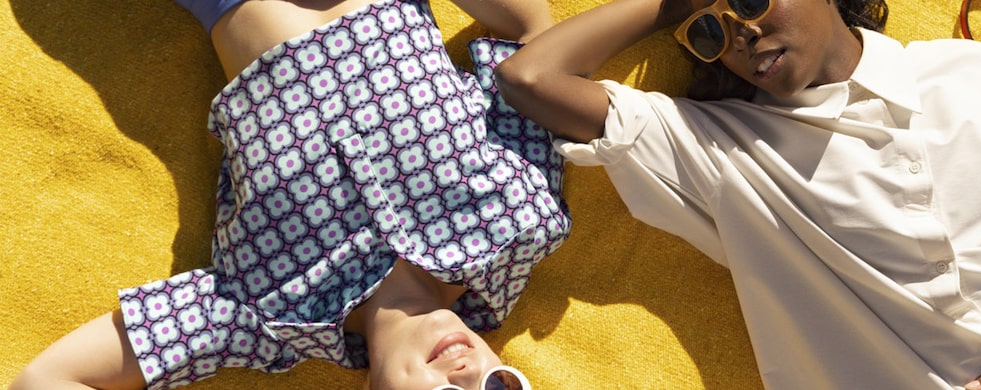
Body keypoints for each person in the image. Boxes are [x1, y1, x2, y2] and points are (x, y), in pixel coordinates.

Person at [495, 0, 981, 388]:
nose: (738, 35)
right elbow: (530, 77)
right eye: (709, 33)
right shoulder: (723, 152)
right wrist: (672, 3)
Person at [11, 0, 568, 389]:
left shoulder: (268, 321)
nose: (467, 376)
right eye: (499, 388)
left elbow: (47, 379)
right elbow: (532, 45)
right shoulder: (524, 228)